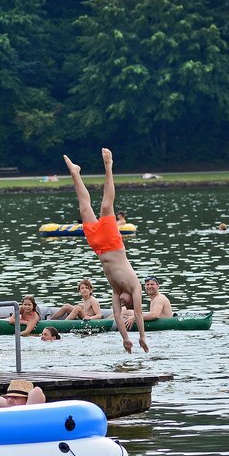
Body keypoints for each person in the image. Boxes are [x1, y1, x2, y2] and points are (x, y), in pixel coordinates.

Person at [64, 149, 149, 353]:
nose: (121, 303)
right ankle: (109, 165)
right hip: (112, 243)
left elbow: (117, 315)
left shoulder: (116, 291)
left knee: (84, 208)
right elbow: (137, 314)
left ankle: (75, 173)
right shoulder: (135, 287)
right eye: (124, 303)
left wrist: (125, 339)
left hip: (98, 247)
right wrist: (142, 337)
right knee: (105, 206)